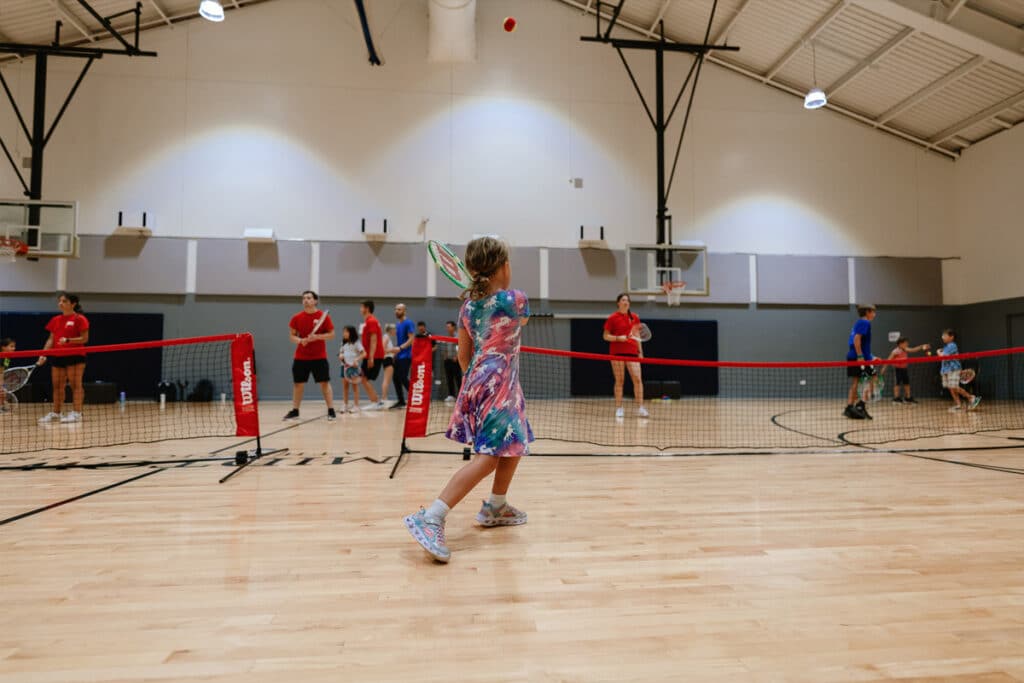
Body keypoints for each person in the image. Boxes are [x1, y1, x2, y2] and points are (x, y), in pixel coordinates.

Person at [404, 236, 532, 563]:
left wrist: (477, 382)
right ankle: (431, 515)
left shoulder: (467, 307)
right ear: (503, 267)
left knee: (514, 442)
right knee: (488, 457)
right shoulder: (516, 300)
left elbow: (463, 357)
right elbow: (519, 323)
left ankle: (496, 506)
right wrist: (494, 380)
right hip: (499, 384)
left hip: (479, 381)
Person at [283, 291, 336, 422]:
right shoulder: (296, 317)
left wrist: (317, 337)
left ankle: (331, 410)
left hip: (319, 357)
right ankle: (295, 411)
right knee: (298, 384)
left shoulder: (323, 316)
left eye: (309, 298)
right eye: (304, 298)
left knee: (324, 383)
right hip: (301, 357)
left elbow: (331, 334)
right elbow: (292, 336)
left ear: (315, 301)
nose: (306, 300)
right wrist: (301, 341)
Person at [38, 293, 89, 424]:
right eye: (59, 301)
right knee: (57, 386)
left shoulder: (80, 319)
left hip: (75, 356)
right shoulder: (55, 320)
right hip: (58, 356)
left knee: (75, 385)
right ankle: (56, 413)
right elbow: (51, 339)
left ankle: (77, 413)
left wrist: (68, 340)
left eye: (64, 301)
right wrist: (43, 354)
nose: (60, 303)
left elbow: (84, 339)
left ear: (73, 304)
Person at [603, 293, 648, 419]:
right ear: (618, 303)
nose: (626, 302)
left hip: (632, 353)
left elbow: (638, 336)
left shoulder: (634, 317)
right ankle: (619, 408)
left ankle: (640, 408)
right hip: (616, 353)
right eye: (623, 300)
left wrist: (641, 352)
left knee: (638, 379)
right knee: (619, 381)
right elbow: (605, 336)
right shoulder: (612, 318)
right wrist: (618, 338)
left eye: (627, 300)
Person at [844, 304, 876, 420]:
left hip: (860, 356)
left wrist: (871, 356)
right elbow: (857, 339)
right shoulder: (864, 323)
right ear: (867, 312)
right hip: (859, 357)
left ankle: (852, 406)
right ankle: (859, 405)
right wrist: (861, 356)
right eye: (873, 312)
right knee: (872, 378)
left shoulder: (860, 323)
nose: (874, 314)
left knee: (858, 381)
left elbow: (861, 343)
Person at [937, 328, 981, 413]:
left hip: (953, 369)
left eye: (945, 335)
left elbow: (943, 357)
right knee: (951, 388)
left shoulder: (952, 345)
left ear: (951, 337)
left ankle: (971, 397)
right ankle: (958, 405)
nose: (943, 337)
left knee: (954, 387)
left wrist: (938, 352)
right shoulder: (946, 347)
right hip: (945, 370)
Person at [358, 300, 385, 409]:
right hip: (369, 355)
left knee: (363, 378)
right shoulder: (369, 321)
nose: (360, 309)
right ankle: (375, 401)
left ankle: (375, 402)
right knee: (363, 378)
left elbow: (374, 340)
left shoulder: (371, 321)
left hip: (374, 356)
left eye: (361, 307)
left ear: (367, 308)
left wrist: (371, 357)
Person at [887, 337, 930, 403]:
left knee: (907, 383)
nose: (907, 344)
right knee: (897, 383)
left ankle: (908, 397)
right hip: (898, 369)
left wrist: (922, 346)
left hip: (904, 369)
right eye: (905, 343)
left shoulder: (905, 349)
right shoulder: (895, 351)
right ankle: (896, 398)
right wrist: (883, 369)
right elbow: (888, 360)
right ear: (900, 344)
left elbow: (913, 349)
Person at [390, 303, 416, 409]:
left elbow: (411, 339)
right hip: (399, 355)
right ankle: (401, 401)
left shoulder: (408, 323)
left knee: (402, 377)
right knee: (395, 378)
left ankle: (415, 399)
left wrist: (401, 348)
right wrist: (395, 353)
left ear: (404, 311)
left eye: (399, 309)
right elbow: (399, 340)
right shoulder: (398, 324)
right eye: (396, 309)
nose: (397, 311)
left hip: (406, 355)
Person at [338, 326, 365, 413]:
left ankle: (356, 406)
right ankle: (345, 405)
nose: (344, 334)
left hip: (353, 368)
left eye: (346, 332)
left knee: (355, 387)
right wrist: (340, 355)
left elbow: (364, 353)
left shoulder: (357, 343)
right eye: (343, 332)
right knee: (345, 387)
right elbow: (341, 352)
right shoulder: (343, 343)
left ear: (351, 333)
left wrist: (356, 360)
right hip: (344, 367)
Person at [440, 320, 462, 402]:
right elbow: (445, 347)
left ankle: (460, 396)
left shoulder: (458, 337)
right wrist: (445, 355)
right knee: (449, 378)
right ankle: (451, 395)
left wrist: (457, 356)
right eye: (447, 327)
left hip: (455, 361)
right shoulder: (447, 337)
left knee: (458, 378)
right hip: (448, 361)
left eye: (449, 327)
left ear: (453, 327)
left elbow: (460, 348)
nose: (447, 328)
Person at [380, 323, 398, 404]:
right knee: (386, 380)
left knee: (387, 380)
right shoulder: (386, 337)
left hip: (389, 359)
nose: (396, 331)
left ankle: (384, 398)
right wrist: (393, 350)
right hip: (387, 360)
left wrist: (393, 352)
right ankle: (384, 398)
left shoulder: (387, 338)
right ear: (391, 330)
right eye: (395, 330)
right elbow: (383, 350)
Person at [0, 337, 15, 413]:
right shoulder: (1, 357)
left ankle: (1, 407)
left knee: (2, 393)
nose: (14, 348)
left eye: (14, 347)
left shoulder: (7, 357)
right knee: (2, 392)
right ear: (3, 347)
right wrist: (1, 385)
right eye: (11, 346)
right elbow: (1, 373)